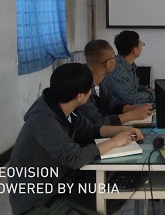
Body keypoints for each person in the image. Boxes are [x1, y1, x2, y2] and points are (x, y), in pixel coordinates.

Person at [9, 63, 143, 215]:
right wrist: (113, 142)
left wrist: (122, 130)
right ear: (80, 96)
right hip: (39, 201)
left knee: (116, 194)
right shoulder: (43, 121)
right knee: (108, 194)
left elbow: (89, 130)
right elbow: (76, 157)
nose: (92, 90)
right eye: (90, 88)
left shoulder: (65, 108)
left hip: (62, 185)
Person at [77, 39, 153, 126]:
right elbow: (97, 123)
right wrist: (132, 115)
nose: (116, 60)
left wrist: (134, 108)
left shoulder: (100, 82)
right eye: (114, 57)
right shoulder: (81, 87)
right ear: (108, 63)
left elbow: (112, 105)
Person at [102, 30, 155, 105]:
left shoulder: (129, 65)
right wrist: (152, 95)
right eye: (141, 44)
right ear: (134, 50)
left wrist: (149, 91)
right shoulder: (117, 69)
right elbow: (131, 98)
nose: (142, 46)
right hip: (117, 113)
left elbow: (134, 88)